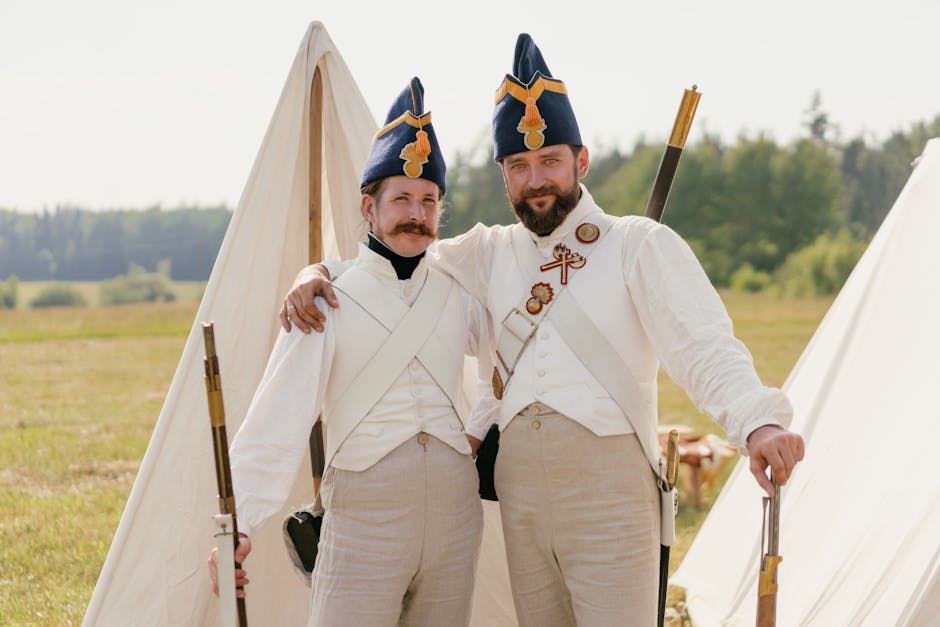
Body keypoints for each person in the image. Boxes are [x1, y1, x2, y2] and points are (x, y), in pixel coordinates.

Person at [282, 35, 805, 626]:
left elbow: (703, 345)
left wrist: (756, 420)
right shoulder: (486, 252)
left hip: (610, 490)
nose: (536, 180)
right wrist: (317, 271)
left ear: (580, 162)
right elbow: (396, 254)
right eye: (519, 166)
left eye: (550, 161)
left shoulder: (638, 244)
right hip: (522, 495)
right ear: (504, 174)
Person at [209, 77, 496, 626]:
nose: (417, 213)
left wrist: (477, 431)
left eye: (429, 201)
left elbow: (506, 367)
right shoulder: (324, 294)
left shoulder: (461, 287)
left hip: (457, 520)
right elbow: (279, 418)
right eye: (402, 199)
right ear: (370, 207)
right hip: (364, 518)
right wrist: (238, 526)